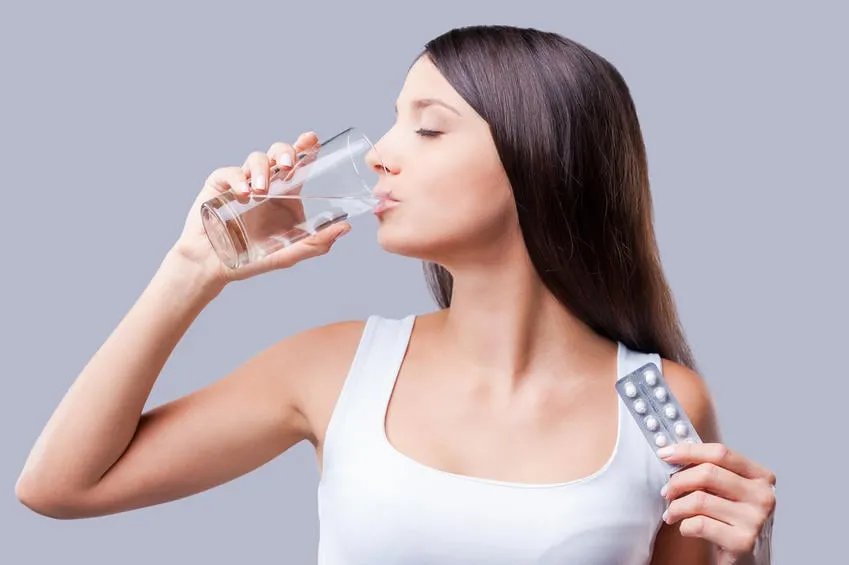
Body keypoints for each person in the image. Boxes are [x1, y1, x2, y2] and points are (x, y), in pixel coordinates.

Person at [15, 25, 776, 565]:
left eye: (429, 129)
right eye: (392, 123)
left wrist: (746, 559)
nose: (378, 153)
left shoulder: (657, 403)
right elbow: (60, 485)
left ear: (538, 158)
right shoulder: (335, 367)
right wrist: (193, 267)